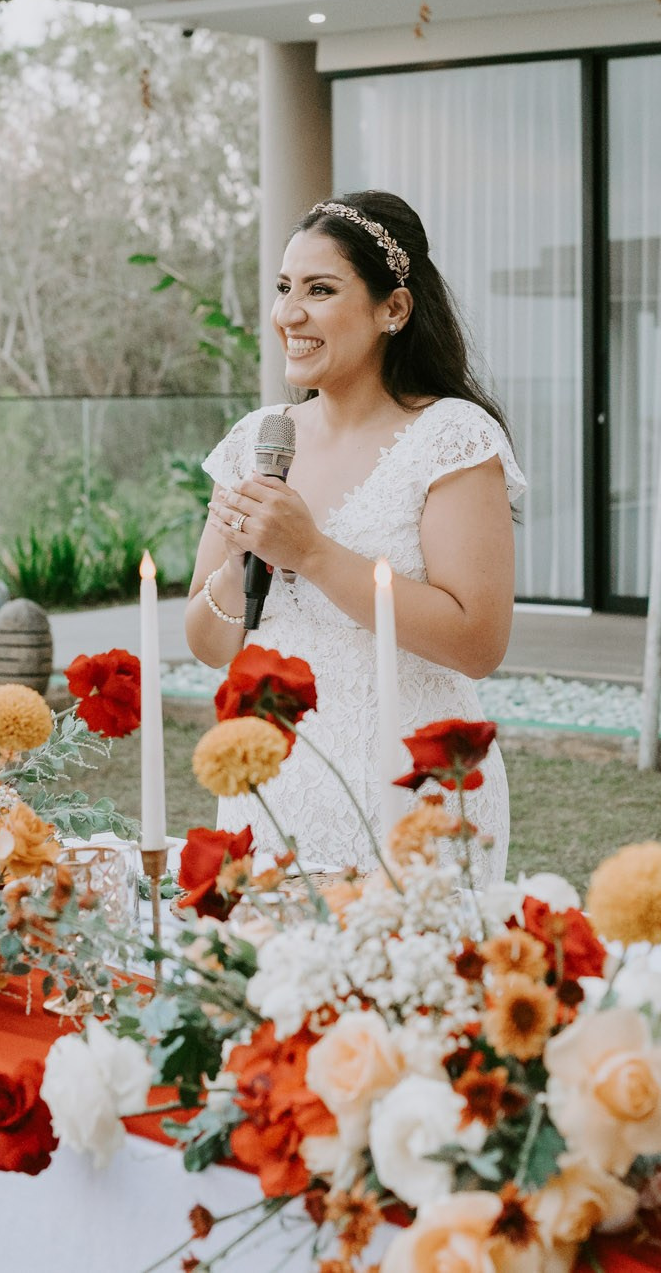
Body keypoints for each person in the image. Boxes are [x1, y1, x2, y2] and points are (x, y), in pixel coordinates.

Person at [189, 190, 523, 881]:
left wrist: (310, 552)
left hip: (413, 797)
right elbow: (208, 643)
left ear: (392, 309)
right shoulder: (257, 440)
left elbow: (478, 642)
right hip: (270, 799)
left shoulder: (451, 438)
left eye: (319, 289)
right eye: (284, 288)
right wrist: (238, 562)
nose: (289, 313)